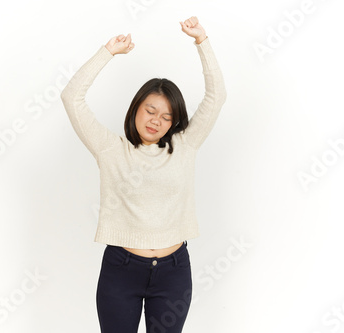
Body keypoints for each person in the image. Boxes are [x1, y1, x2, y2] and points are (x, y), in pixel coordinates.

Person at [60, 16, 226, 333]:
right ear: (136, 107)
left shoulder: (186, 145)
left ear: (174, 122)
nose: (155, 121)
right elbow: (71, 97)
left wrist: (202, 41)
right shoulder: (110, 149)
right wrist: (106, 52)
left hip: (173, 271)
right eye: (150, 110)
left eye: (166, 116)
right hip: (121, 270)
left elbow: (216, 96)